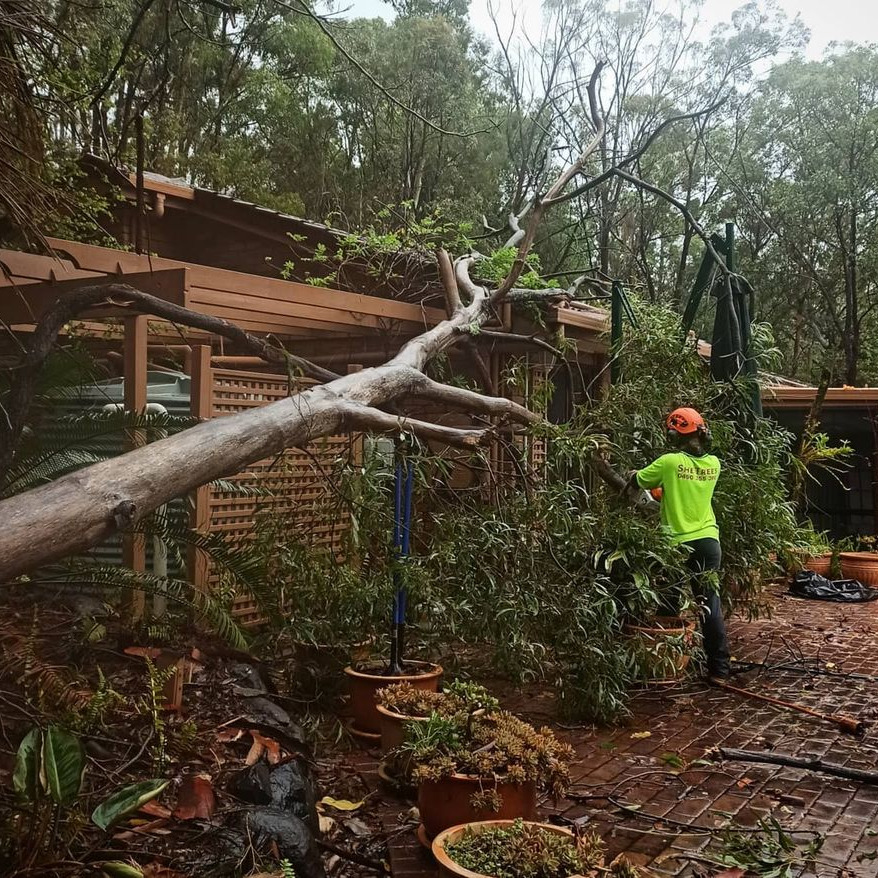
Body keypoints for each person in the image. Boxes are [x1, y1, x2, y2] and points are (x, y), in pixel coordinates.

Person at [629, 407, 730, 680]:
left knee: (668, 605)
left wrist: (638, 475)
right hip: (709, 542)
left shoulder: (669, 462)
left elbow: (638, 479)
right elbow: (687, 491)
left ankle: (669, 663)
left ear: (674, 434)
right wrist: (667, 493)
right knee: (710, 604)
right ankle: (719, 669)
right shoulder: (714, 465)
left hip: (675, 545)